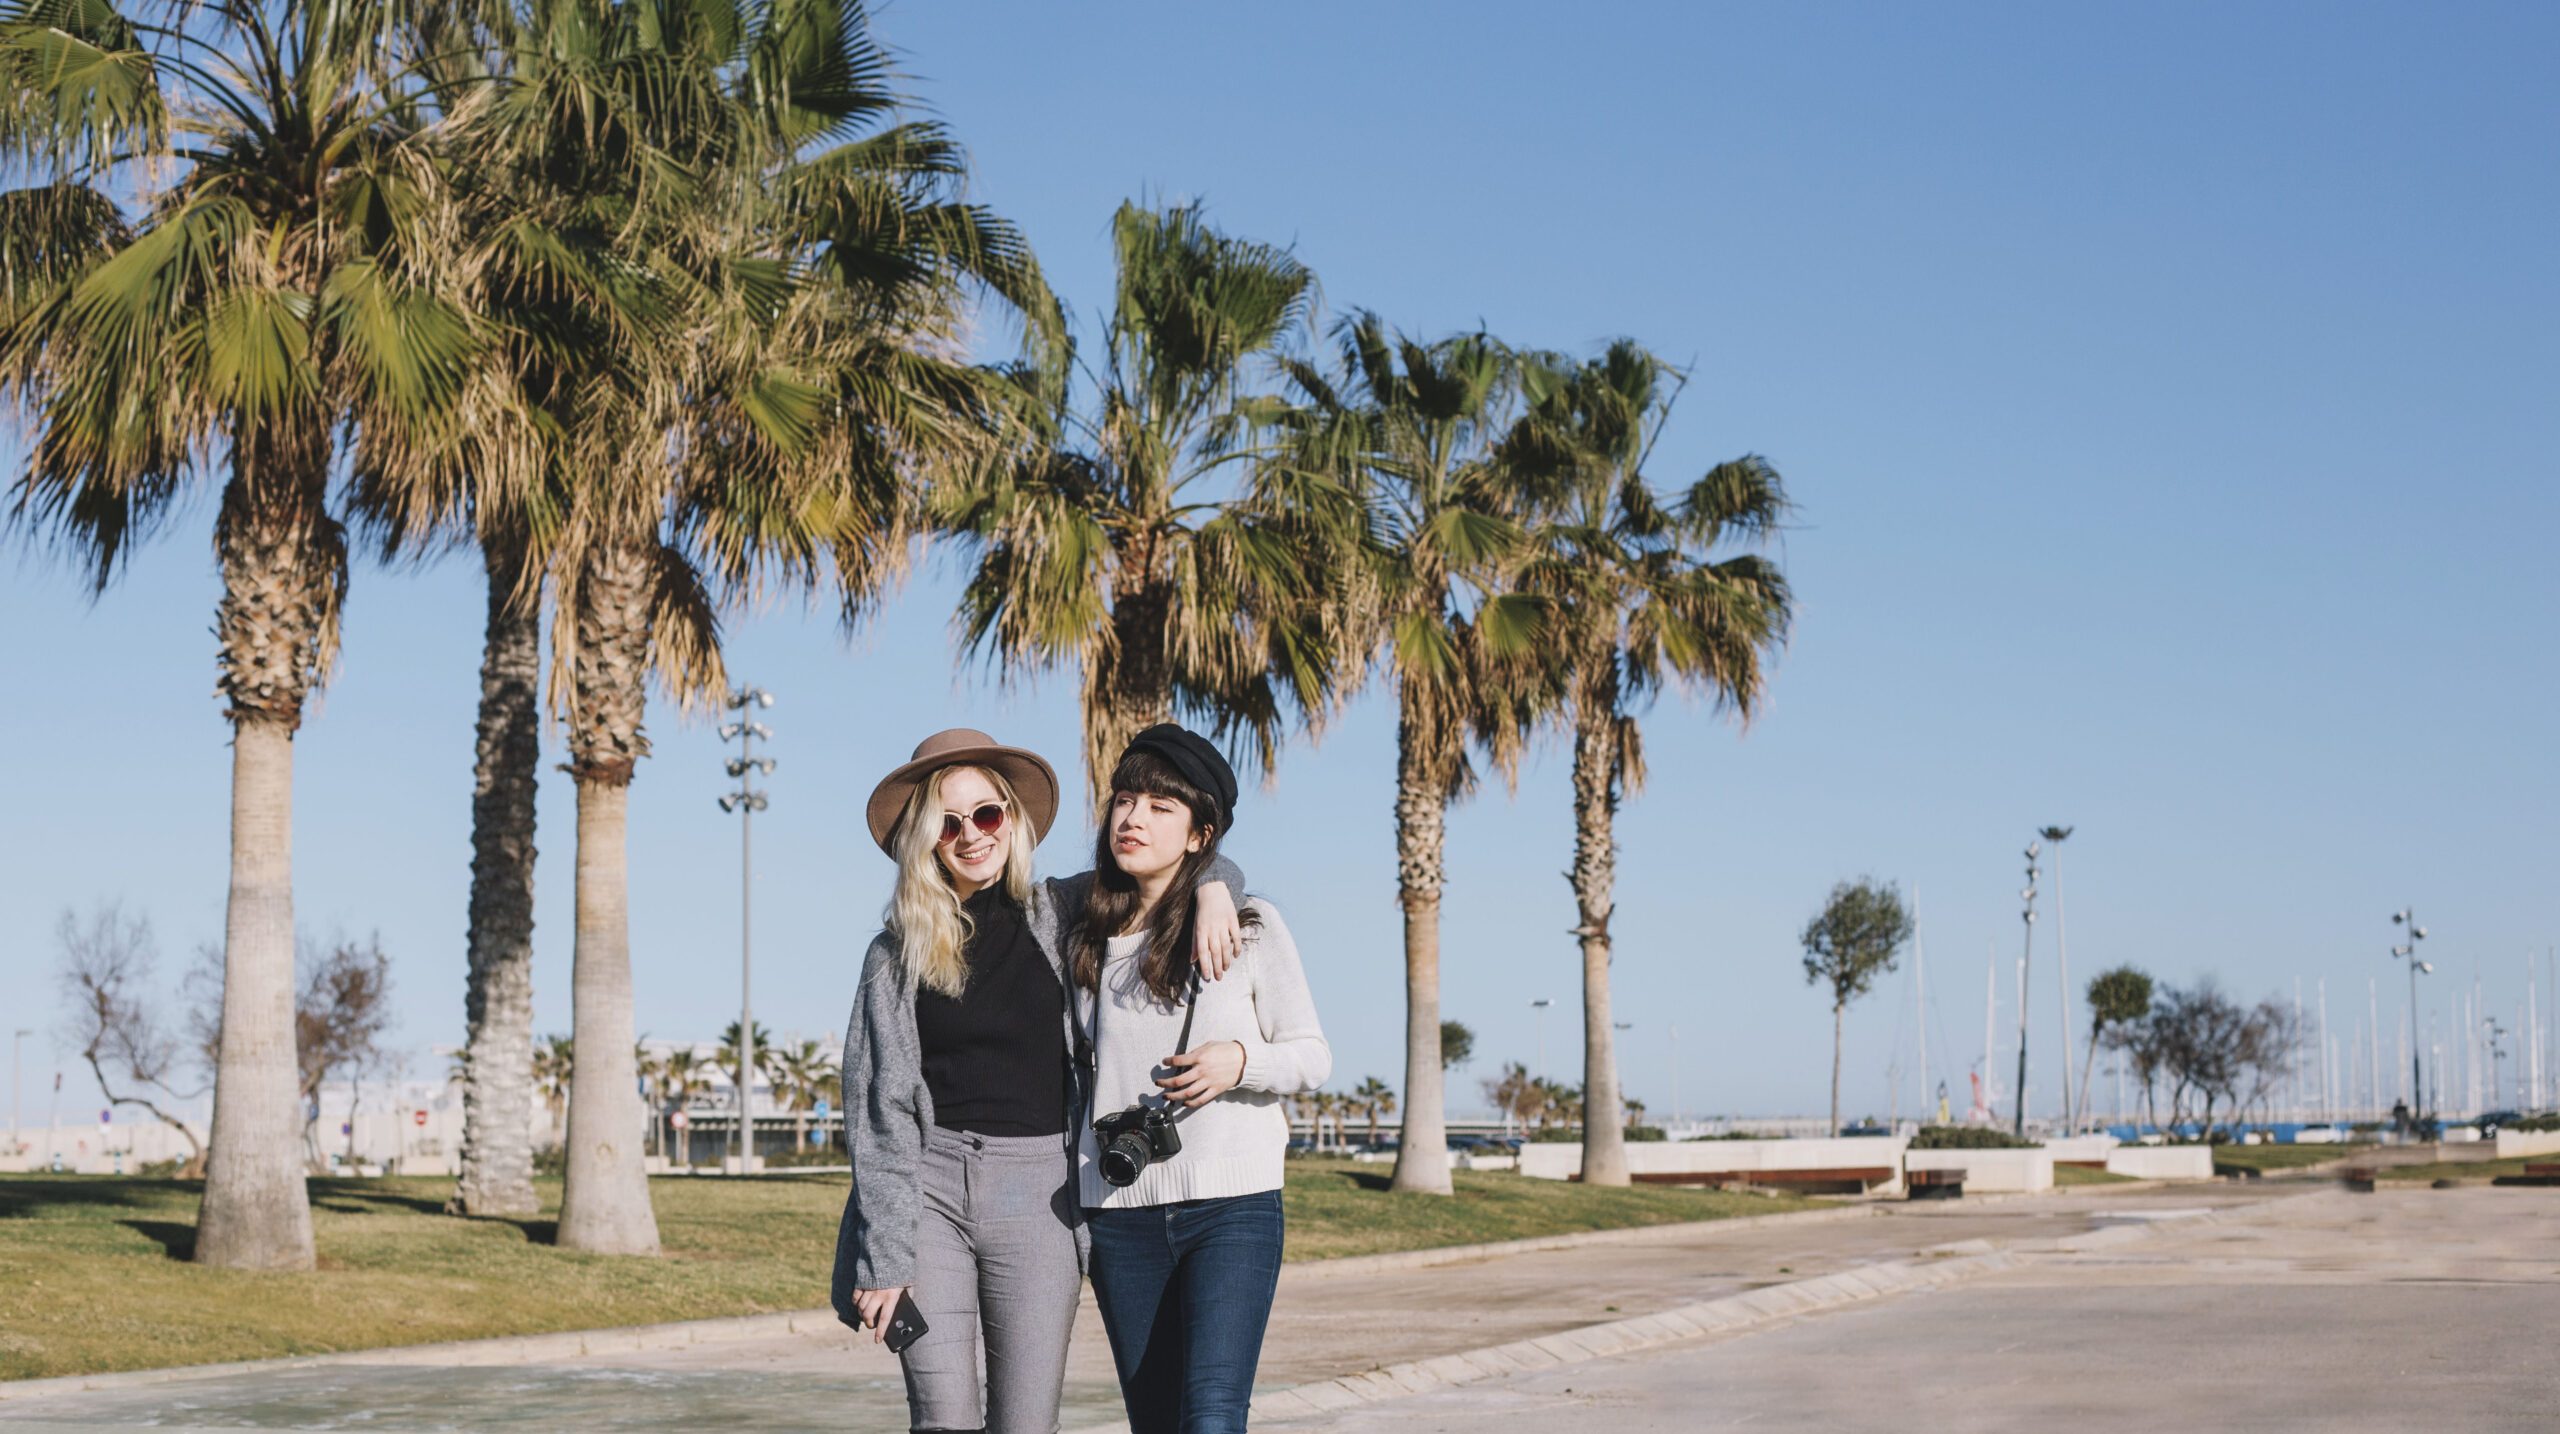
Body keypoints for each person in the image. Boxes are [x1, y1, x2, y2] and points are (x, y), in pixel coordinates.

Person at [831, 728, 1246, 1434]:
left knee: (1026, 1423)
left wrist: (1213, 890)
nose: (972, 836)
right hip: (928, 1193)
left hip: (1040, 1196)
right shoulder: (893, 955)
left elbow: (1174, 868)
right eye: (948, 823)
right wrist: (884, 1257)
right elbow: (879, 1112)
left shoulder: (1064, 910)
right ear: (926, 839)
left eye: (986, 813)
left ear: (1011, 818)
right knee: (942, 1416)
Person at [1073, 724, 1330, 1434]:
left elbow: (1312, 1055)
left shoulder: (1250, 926)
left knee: (1212, 1416)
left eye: (1161, 807)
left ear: (1199, 836)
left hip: (1232, 1208)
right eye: (1125, 801)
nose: (1133, 819)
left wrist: (1240, 1062)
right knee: (1155, 1423)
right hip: (1120, 1214)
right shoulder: (1085, 939)